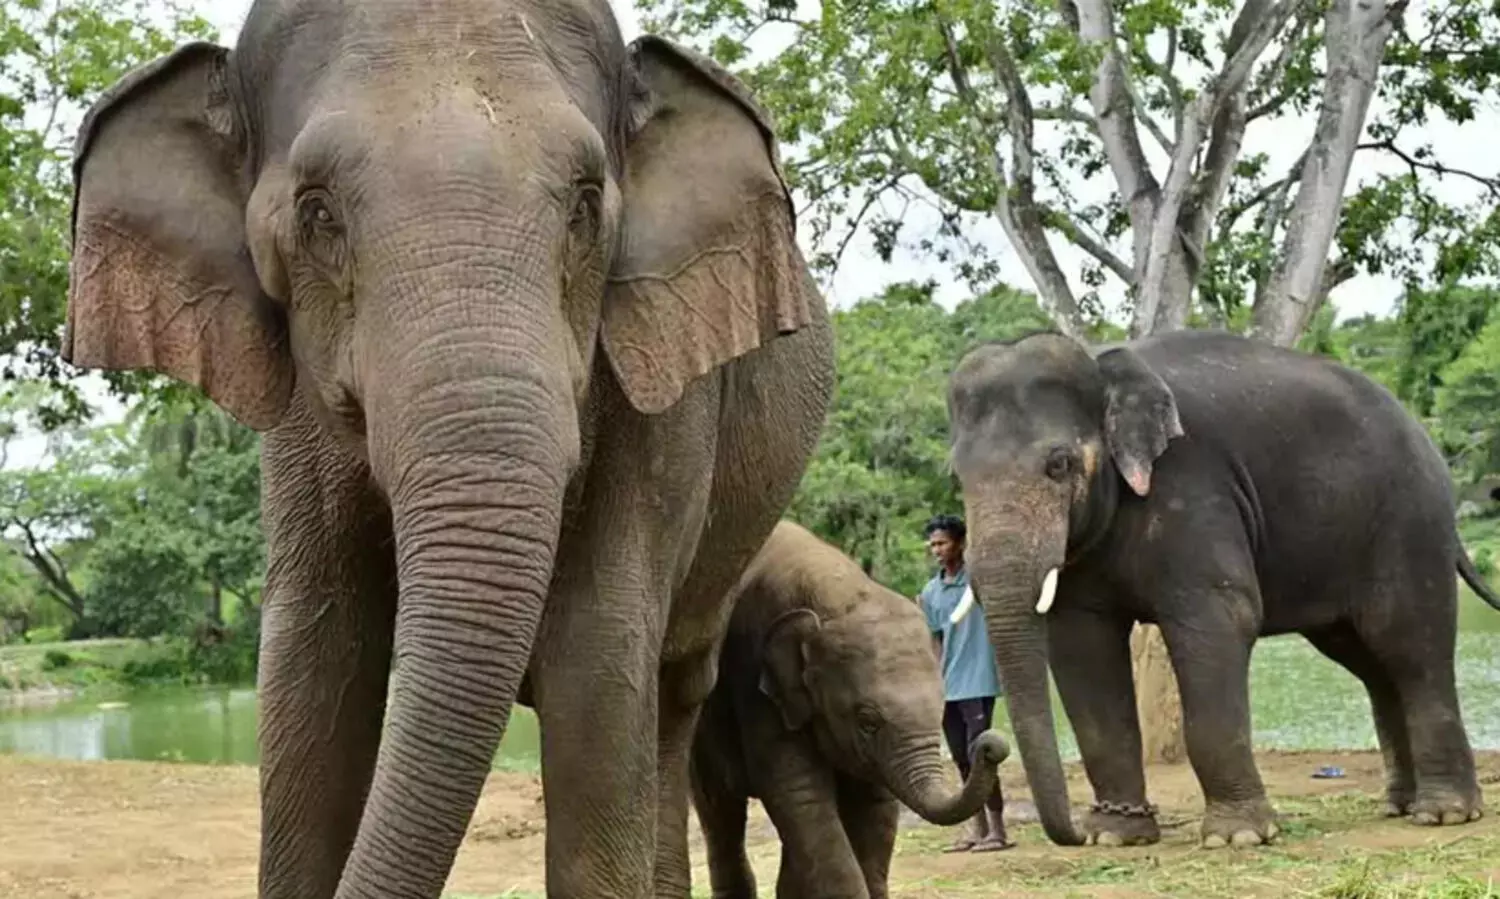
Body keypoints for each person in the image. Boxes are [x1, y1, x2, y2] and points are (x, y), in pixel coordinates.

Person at [916, 513, 1013, 852]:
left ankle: (999, 832)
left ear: (959, 543)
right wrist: (933, 681)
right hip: (948, 686)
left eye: (942, 542)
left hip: (979, 682)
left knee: (981, 756)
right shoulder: (931, 591)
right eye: (933, 544)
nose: (936, 549)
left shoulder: (979, 581)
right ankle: (978, 829)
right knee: (960, 757)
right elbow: (935, 639)